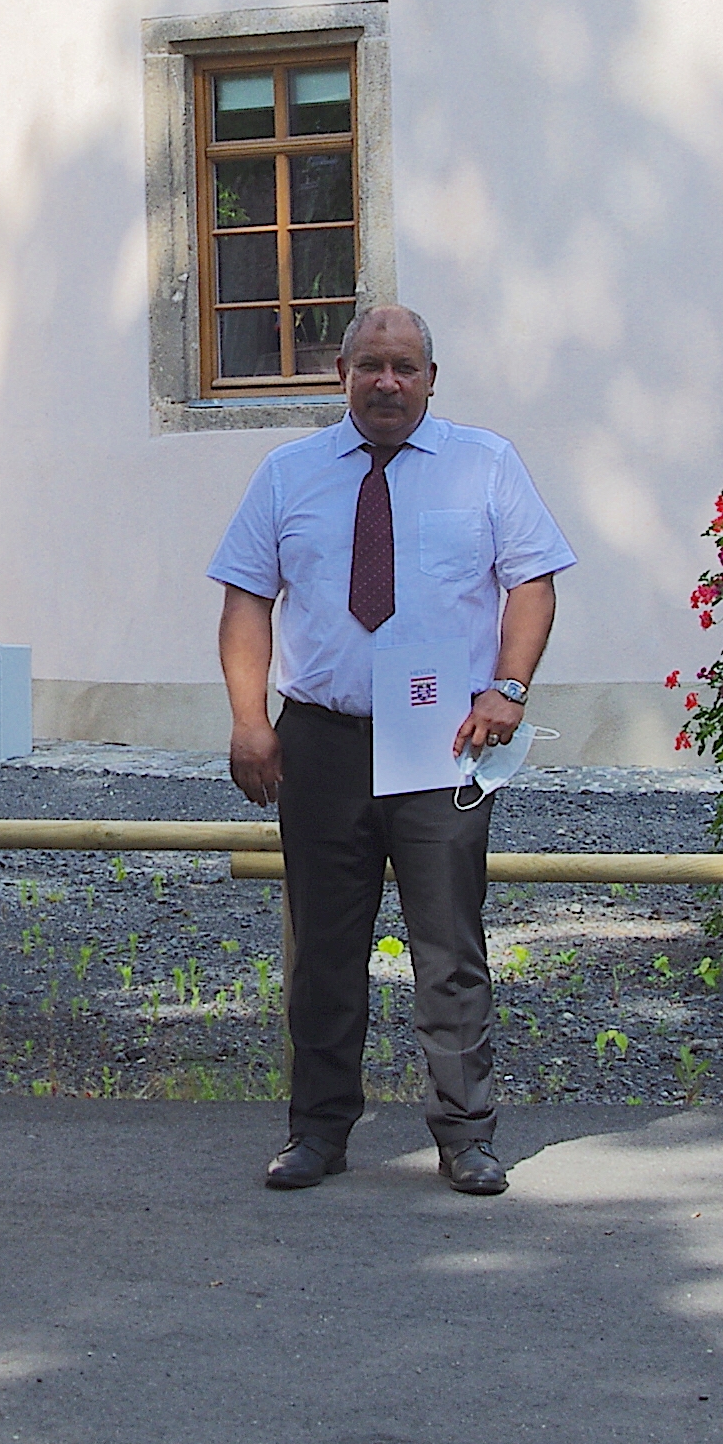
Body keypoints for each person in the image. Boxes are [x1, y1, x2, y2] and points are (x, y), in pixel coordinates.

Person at [207, 304, 573, 1197]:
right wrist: (249, 720)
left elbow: (531, 582)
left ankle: (465, 1135)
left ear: (431, 377)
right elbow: (247, 599)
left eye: (404, 367)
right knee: (323, 949)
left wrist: (508, 687)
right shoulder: (286, 473)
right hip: (320, 742)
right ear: (341, 372)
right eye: (370, 365)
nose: (386, 383)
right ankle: (317, 1131)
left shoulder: (485, 465)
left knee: (448, 948)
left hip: (441, 742)